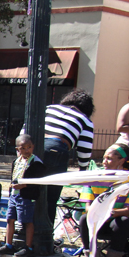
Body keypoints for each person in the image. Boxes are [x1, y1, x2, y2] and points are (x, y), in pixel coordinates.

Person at [35, 89, 95, 227]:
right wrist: (83, 170)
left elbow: (28, 125)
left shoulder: (49, 108)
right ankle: (45, 232)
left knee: (29, 193)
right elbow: (84, 151)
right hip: (57, 150)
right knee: (51, 198)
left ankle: (24, 231)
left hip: (34, 146)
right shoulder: (85, 120)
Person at [77, 142, 129, 257]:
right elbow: (88, 205)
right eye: (104, 158)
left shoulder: (128, 180)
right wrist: (97, 212)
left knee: (122, 222)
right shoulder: (95, 177)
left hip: (117, 220)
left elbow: (127, 210)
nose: (104, 162)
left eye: (109, 159)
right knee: (84, 219)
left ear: (121, 161)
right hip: (98, 219)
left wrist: (108, 213)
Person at [0, 134, 45, 257]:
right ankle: (8, 245)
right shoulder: (17, 161)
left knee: (27, 221)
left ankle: (28, 247)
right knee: (10, 219)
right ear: (18, 149)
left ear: (33, 147)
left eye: (29, 147)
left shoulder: (36, 162)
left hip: (26, 196)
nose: (26, 150)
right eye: (23, 148)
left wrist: (24, 185)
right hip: (14, 195)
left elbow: (38, 181)